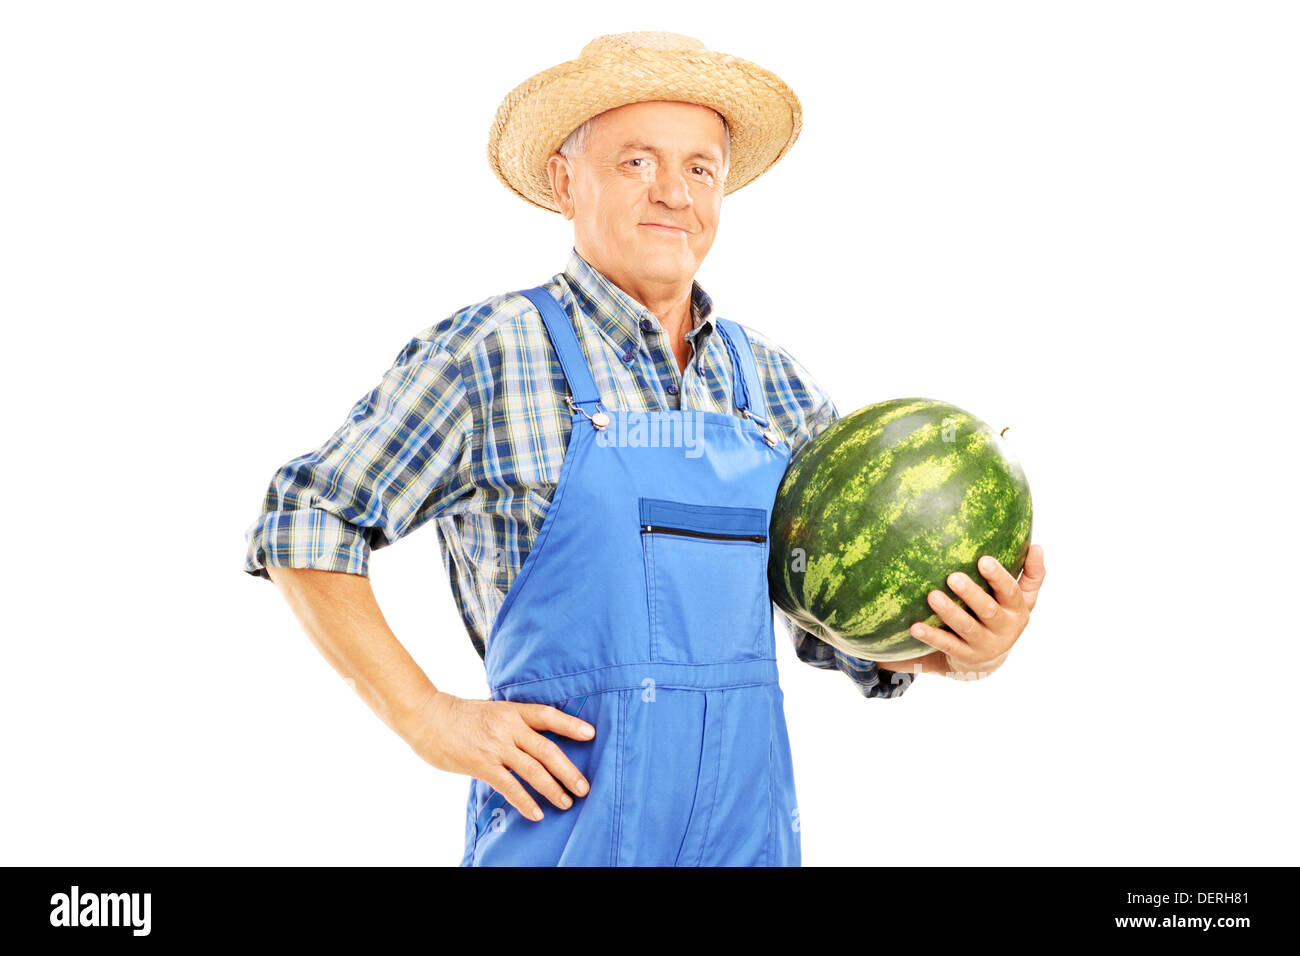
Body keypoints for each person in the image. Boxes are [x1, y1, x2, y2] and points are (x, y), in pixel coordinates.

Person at [243, 31, 1046, 866]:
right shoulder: (491, 352)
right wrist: (427, 718)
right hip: (565, 832)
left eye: (701, 168)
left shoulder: (772, 383)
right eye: (636, 162)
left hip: (747, 837)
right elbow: (307, 517)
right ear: (565, 181)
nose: (673, 193)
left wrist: (966, 652)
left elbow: (836, 622)